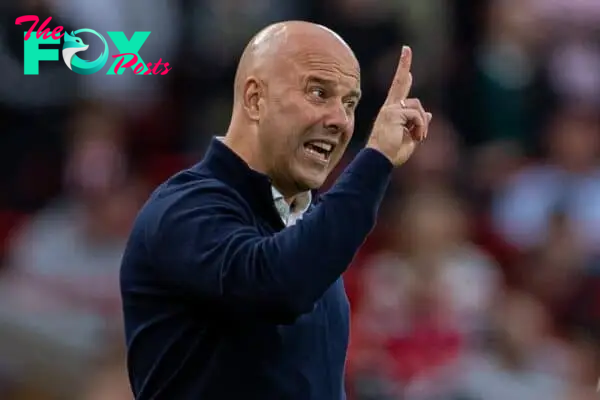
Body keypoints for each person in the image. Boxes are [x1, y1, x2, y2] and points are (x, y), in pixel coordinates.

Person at [120, 20, 431, 400]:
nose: (340, 120)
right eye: (319, 92)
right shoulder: (183, 209)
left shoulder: (304, 226)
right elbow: (278, 285)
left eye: (350, 104)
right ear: (255, 98)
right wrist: (375, 159)